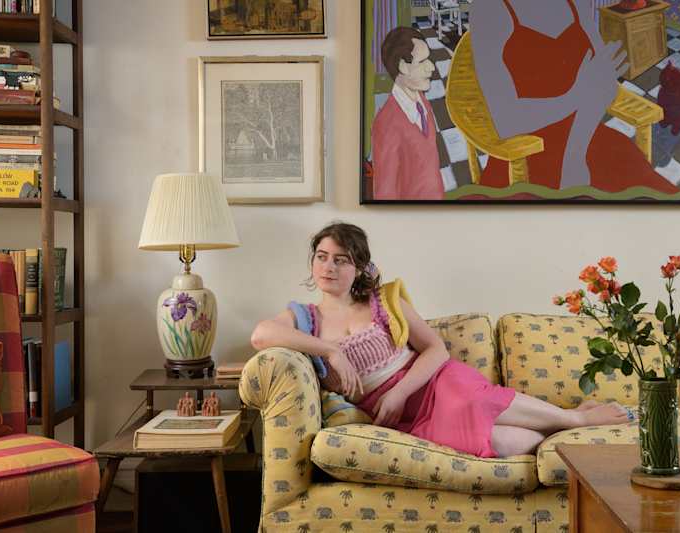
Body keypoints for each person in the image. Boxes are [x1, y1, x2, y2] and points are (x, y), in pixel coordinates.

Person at [250, 223, 628, 457]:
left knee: (473, 399)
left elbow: (436, 349)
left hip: (434, 383)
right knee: (503, 443)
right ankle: (560, 431)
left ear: (359, 267)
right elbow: (261, 334)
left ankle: (575, 417)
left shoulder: (384, 301)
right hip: (403, 418)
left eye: (340, 259)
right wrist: (331, 350)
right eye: (321, 257)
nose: (328, 267)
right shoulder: (306, 318)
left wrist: (399, 393)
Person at [470, 0, 679, 194]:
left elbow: (603, 82)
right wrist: (576, 95)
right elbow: (507, 123)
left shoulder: (575, 3)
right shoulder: (489, 9)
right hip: (525, 154)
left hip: (586, 135)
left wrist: (575, 154)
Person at [371, 27, 444, 200]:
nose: (431, 67)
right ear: (403, 66)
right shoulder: (387, 123)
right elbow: (385, 192)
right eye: (422, 61)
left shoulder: (423, 103)